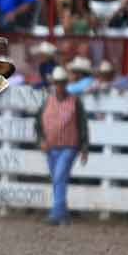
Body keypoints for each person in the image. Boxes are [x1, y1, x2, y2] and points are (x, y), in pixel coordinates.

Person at [35, 66, 89, 226]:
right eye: (57, 83)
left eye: (61, 83)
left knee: (59, 177)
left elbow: (82, 124)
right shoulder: (47, 100)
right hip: (51, 146)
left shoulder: (75, 101)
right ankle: (63, 214)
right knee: (58, 179)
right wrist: (41, 140)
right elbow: (38, 123)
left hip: (69, 145)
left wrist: (84, 147)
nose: (59, 86)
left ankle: (55, 214)